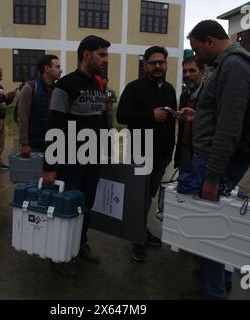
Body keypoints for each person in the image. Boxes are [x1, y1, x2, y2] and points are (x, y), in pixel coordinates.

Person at [178, 20, 250, 300]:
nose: (196, 57)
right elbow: (220, 113)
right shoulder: (226, 66)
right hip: (214, 160)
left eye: (197, 50)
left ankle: (212, 294)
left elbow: (228, 128)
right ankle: (220, 281)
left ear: (210, 41)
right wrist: (196, 116)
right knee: (217, 226)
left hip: (216, 165)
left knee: (208, 231)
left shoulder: (235, 67)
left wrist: (212, 177)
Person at [43, 35, 110, 277]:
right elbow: (53, 126)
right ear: (86, 55)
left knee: (86, 206)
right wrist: (49, 165)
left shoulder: (98, 85)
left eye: (106, 55)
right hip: (69, 159)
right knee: (65, 207)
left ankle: (79, 244)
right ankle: (57, 254)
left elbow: (100, 121)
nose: (105, 60)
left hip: (92, 159)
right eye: (101, 55)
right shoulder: (65, 85)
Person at [117, 46, 177, 263]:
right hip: (141, 154)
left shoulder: (170, 90)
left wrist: (170, 151)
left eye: (161, 62)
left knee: (149, 196)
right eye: (153, 63)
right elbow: (122, 115)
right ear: (145, 66)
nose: (158, 66)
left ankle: (141, 230)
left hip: (161, 156)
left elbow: (171, 124)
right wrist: (150, 115)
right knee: (139, 197)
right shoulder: (134, 88)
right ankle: (137, 239)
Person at [17, 54, 62, 157]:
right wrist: (24, 143)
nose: (61, 70)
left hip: (53, 144)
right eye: (57, 67)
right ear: (46, 68)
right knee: (35, 173)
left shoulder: (58, 90)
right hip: (34, 145)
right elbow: (22, 117)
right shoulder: (30, 88)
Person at [173, 56, 204, 173]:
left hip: (201, 153)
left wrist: (197, 117)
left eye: (192, 71)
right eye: (184, 71)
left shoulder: (210, 96)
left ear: (202, 73)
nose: (187, 75)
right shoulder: (184, 96)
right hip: (184, 150)